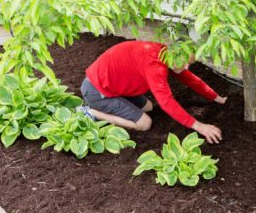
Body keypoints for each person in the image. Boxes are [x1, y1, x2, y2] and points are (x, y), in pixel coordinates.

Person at [78, 41, 227, 144]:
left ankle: (112, 105)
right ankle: (91, 112)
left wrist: (216, 97)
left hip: (112, 85)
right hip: (97, 91)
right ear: (175, 54)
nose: (187, 67)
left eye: (190, 63)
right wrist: (199, 126)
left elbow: (190, 79)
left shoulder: (165, 53)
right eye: (185, 62)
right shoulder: (155, 66)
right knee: (144, 123)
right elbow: (166, 101)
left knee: (148, 107)